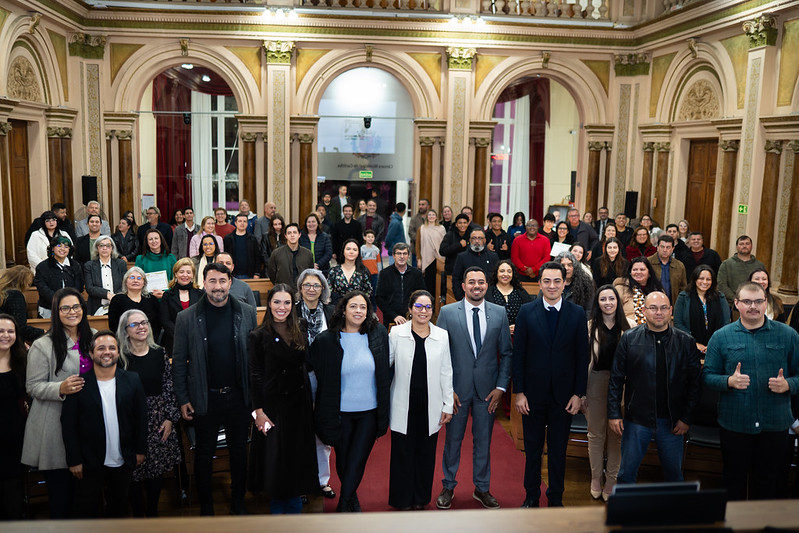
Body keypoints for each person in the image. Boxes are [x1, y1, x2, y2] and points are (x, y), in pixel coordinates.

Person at [172, 262, 257, 515]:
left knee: (239, 452)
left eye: (222, 281)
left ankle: (238, 500)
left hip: (239, 397)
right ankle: (206, 505)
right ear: (203, 284)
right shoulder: (185, 317)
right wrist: (183, 398)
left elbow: (254, 357)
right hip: (204, 398)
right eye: (212, 281)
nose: (218, 286)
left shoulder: (246, 312)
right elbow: (178, 361)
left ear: (230, 283)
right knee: (204, 454)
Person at [702, 282, 799, 500]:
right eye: (746, 301)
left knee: (766, 482)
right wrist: (728, 381)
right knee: (733, 481)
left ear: (766, 303)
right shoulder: (721, 336)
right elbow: (707, 376)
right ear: (736, 304)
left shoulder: (788, 335)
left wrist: (789, 385)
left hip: (774, 424)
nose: (752, 306)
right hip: (735, 424)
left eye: (758, 301)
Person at [513, 261, 589, 508]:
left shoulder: (577, 314)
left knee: (558, 453)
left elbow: (582, 357)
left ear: (565, 283)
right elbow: (519, 355)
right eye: (547, 281)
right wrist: (519, 392)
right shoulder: (526, 311)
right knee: (533, 452)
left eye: (557, 281)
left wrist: (579, 394)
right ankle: (531, 497)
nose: (552, 285)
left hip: (564, 397)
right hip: (532, 396)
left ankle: (556, 498)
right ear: (540, 283)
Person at [436, 267, 512, 510]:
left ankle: (482, 488)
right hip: (457, 391)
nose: (476, 286)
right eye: (471, 282)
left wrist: (501, 387)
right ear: (463, 285)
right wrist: (447, 390)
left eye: (481, 282)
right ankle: (448, 485)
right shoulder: (447, 313)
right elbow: (439, 353)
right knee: (453, 441)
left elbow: (507, 353)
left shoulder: (499, 313)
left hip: (488, 391)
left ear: (487, 285)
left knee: (483, 441)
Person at [608, 291, 701, 485]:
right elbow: (616, 379)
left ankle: (671, 515)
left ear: (670, 311)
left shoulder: (686, 341)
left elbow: (694, 384)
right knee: (626, 475)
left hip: (672, 422)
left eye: (663, 308)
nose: (659, 312)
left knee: (674, 476)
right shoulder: (629, 339)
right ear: (644, 310)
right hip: (637, 420)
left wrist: (686, 418)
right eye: (653, 308)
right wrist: (614, 413)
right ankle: (625, 514)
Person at [310, 291, 390, 512]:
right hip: (339, 413)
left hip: (369, 412)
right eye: (353, 306)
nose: (358, 311)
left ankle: (344, 505)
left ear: (368, 311)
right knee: (344, 461)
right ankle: (351, 500)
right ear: (343, 310)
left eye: (363, 307)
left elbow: (386, 371)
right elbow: (313, 370)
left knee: (357, 460)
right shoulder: (326, 340)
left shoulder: (378, 334)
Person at [22, 288, 92, 518]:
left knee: (86, 499)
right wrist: (59, 388)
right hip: (54, 425)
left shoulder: (93, 337)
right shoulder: (43, 344)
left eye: (76, 306)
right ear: (56, 312)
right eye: (65, 308)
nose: (72, 312)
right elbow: (32, 386)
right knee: (62, 498)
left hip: (87, 424)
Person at [60, 330, 147, 518]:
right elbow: (69, 426)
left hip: (123, 459)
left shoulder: (132, 380)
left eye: (111, 348)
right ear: (91, 353)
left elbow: (141, 418)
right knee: (86, 511)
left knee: (119, 509)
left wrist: (140, 450)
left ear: (118, 352)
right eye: (100, 348)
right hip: (89, 462)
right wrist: (74, 460)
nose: (106, 352)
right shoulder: (79, 384)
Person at [248, 284, 318, 514]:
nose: (282, 307)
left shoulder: (301, 328)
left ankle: (295, 517)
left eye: (287, 302)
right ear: (269, 304)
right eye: (277, 302)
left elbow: (305, 365)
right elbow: (255, 376)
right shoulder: (258, 336)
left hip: (299, 406)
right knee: (276, 466)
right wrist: (258, 412)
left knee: (297, 464)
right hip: (271, 409)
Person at [388, 290, 454, 510]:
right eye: (418, 306)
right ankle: (402, 499)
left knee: (425, 454)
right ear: (410, 309)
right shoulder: (396, 334)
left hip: (430, 404)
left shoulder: (442, 335)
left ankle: (420, 499)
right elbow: (387, 368)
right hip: (402, 403)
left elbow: (446, 371)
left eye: (427, 307)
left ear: (432, 311)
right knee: (402, 453)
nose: (423, 311)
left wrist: (448, 405)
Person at [116, 310, 181, 517]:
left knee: (156, 470)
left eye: (144, 322)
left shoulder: (159, 352)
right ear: (126, 331)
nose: (142, 327)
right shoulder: (120, 357)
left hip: (158, 418)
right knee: (133, 471)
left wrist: (170, 418)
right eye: (135, 324)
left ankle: (152, 513)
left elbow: (170, 387)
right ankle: (138, 515)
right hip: (130, 419)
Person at [583, 285, 633, 501]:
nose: (608, 303)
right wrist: (581, 393)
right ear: (598, 303)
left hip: (622, 385)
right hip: (595, 382)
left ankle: (611, 480)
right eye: (603, 299)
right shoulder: (589, 327)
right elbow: (582, 361)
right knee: (596, 434)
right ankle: (596, 478)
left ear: (617, 302)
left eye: (611, 298)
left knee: (617, 436)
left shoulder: (629, 326)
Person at [295, 268, 336, 500]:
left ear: (323, 289)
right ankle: (302, 482)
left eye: (316, 285)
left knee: (323, 430)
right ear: (300, 288)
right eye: (307, 285)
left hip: (326, 379)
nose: (311, 289)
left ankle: (322, 481)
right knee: (301, 430)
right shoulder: (291, 311)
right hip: (299, 378)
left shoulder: (331, 313)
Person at [0, 314, 28, 520]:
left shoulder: (23, 361)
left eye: (10, 331)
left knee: (14, 492)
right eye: (0, 331)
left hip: (17, 439)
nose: (5, 335)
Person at [674, 265, 731, 355]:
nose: (705, 282)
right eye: (701, 278)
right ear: (695, 279)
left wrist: (714, 343)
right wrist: (695, 343)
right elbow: (678, 323)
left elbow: (726, 323)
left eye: (708, 279)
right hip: (689, 346)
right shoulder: (684, 297)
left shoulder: (720, 297)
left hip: (717, 346)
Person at [375, 243, 426, 327]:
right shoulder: (385, 274)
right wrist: (393, 316)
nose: (402, 256)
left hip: (412, 318)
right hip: (391, 319)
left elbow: (422, 296)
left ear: (408, 255)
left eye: (404, 253)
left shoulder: (416, 274)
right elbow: (379, 298)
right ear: (393, 255)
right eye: (399, 253)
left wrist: (413, 313)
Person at [159, 258, 203, 355]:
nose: (185, 275)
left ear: (192, 275)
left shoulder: (201, 294)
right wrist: (181, 335)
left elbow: (203, 318)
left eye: (188, 272)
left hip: (197, 341)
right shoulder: (167, 295)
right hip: (173, 342)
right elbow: (165, 321)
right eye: (181, 272)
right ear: (175, 274)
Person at [33, 236, 84, 318]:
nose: (63, 249)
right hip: (49, 308)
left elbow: (79, 286)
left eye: (66, 246)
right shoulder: (42, 267)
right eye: (59, 246)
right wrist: (58, 301)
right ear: (53, 248)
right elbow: (42, 288)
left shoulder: (75, 265)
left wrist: (68, 302)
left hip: (71, 309)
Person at [108, 266, 162, 338]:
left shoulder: (152, 300)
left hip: (150, 340)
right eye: (132, 277)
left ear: (144, 283)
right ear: (125, 281)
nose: (135, 280)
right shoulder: (117, 300)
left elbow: (157, 324)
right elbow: (113, 325)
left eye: (139, 278)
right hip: (125, 341)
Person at [485, 259, 533, 336]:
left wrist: (518, 326)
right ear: (496, 273)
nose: (505, 274)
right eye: (502, 271)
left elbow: (529, 313)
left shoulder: (520, 291)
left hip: (518, 334)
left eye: (509, 271)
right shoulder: (488, 292)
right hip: (494, 336)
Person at [451, 228, 500, 301]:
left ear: (484, 240)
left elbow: (497, 278)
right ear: (470, 240)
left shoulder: (493, 257)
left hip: (489, 299)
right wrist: (460, 298)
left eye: (480, 238)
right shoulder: (462, 257)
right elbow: (456, 279)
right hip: (468, 298)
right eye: (474, 238)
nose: (477, 241)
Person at [83, 235, 127, 315]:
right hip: (97, 308)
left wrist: (116, 298)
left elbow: (125, 285)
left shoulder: (121, 264)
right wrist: (108, 295)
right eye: (101, 245)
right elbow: (90, 288)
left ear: (112, 248)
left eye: (108, 246)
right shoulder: (89, 265)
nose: (105, 248)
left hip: (119, 306)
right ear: (97, 248)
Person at [0, 265, 44, 343]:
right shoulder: (15, 295)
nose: (27, 288)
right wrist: (43, 332)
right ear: (22, 283)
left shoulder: (3, 293)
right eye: (28, 284)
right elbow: (20, 327)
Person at [614, 256, 664, 324]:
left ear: (649, 273)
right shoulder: (620, 289)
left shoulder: (658, 290)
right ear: (630, 272)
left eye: (642, 269)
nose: (638, 272)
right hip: (628, 329)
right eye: (635, 270)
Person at [717, 235, 765, 305]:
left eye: (747, 244)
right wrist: (737, 299)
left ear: (751, 246)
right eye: (741, 244)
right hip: (731, 305)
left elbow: (763, 285)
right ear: (737, 247)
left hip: (755, 303)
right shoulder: (726, 264)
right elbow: (721, 285)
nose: (744, 246)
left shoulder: (759, 265)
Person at [268, 223, 315, 291]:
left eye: (295, 232)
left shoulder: (308, 254)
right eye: (289, 233)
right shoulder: (276, 253)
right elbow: (272, 274)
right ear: (285, 236)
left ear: (299, 235)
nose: (292, 235)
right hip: (282, 292)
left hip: (303, 292)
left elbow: (310, 274)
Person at [327, 239, 374, 305]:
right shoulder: (334, 271)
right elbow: (328, 291)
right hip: (337, 308)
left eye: (354, 250)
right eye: (348, 249)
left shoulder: (363, 272)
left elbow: (368, 293)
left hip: (357, 309)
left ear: (358, 253)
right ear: (343, 252)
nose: (351, 252)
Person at [647, 234, 687, 304]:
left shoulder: (679, 266)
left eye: (668, 247)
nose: (665, 250)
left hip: (673, 304)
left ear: (672, 249)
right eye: (662, 247)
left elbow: (683, 287)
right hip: (652, 303)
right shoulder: (648, 262)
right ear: (657, 247)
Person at [555, 251, 594, 317]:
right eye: (562, 265)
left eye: (570, 265)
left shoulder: (586, 284)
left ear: (575, 267)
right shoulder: (550, 285)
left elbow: (589, 310)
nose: (566, 268)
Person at [223, 213, 262, 279]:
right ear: (235, 223)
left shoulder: (253, 239)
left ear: (247, 224)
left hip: (249, 274)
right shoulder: (228, 239)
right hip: (232, 274)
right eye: (240, 221)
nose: (242, 223)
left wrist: (257, 273)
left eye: (244, 221)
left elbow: (257, 257)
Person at [418, 209, 445, 298]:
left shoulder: (441, 229)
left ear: (436, 217)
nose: (431, 216)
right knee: (427, 282)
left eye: (433, 215)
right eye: (429, 215)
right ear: (427, 217)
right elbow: (418, 245)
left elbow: (444, 243)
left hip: (438, 258)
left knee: (437, 283)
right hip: (426, 258)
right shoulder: (422, 228)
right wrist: (419, 259)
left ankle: (436, 304)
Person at [439, 213, 471, 277]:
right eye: (460, 223)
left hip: (467, 270)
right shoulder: (450, 235)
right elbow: (442, 251)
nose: (462, 225)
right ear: (456, 224)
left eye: (465, 223)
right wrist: (459, 245)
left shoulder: (471, 235)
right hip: (452, 271)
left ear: (468, 224)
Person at [408, 198, 430, 267]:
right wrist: (420, 240)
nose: (420, 206)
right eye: (419, 204)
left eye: (423, 205)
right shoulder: (414, 218)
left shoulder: (431, 217)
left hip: (429, 251)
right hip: (416, 250)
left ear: (428, 206)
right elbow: (411, 232)